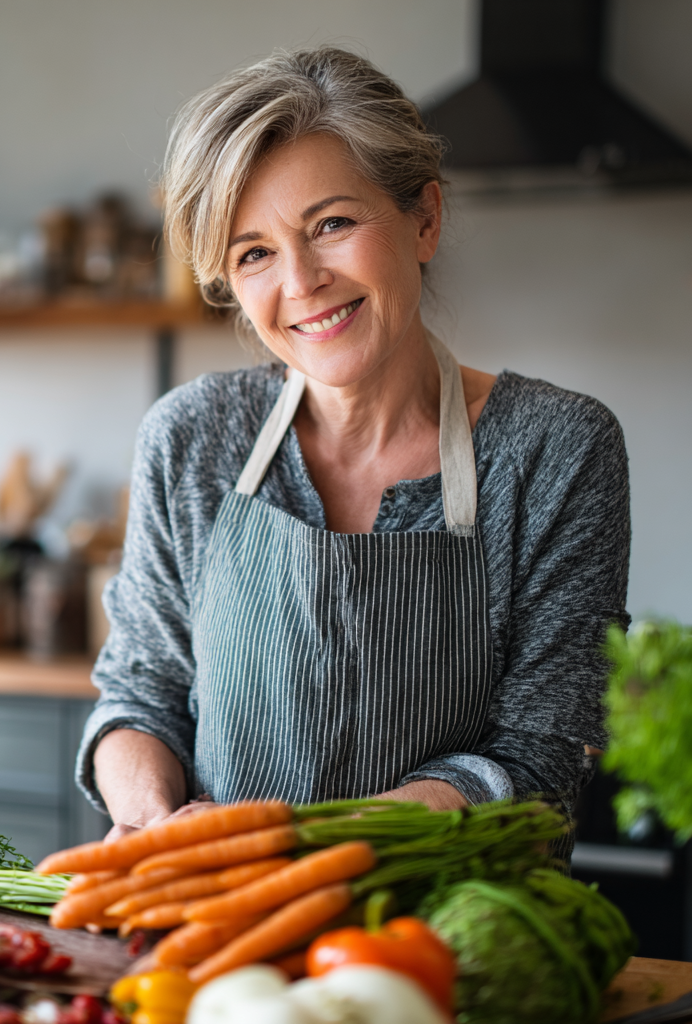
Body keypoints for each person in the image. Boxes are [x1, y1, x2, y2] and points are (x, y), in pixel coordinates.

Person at [76, 46, 630, 842]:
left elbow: (539, 758)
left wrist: (307, 849)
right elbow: (141, 696)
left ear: (425, 220)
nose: (300, 282)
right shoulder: (191, 437)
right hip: (214, 935)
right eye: (254, 252)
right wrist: (155, 827)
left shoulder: (555, 449)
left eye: (331, 224)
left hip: (452, 945)